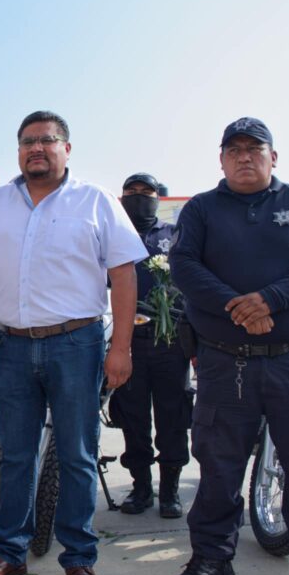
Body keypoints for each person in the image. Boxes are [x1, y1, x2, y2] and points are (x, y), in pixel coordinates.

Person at [0, 111, 146, 575]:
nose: (35, 148)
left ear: (67, 147)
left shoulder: (96, 200)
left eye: (47, 139)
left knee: (78, 455)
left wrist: (121, 347)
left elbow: (124, 274)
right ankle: (9, 552)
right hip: (12, 346)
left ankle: (79, 557)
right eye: (27, 142)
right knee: (15, 455)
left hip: (77, 344)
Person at [168, 118, 289, 575]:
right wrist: (239, 307)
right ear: (221, 159)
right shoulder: (202, 209)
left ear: (273, 157)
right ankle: (212, 562)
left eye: (254, 148)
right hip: (226, 361)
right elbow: (183, 266)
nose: (244, 157)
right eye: (234, 150)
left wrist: (270, 300)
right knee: (219, 469)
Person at [108, 173, 192, 518]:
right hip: (127, 340)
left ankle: (170, 489)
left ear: (159, 198)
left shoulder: (175, 235)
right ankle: (141, 487)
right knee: (133, 416)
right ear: (121, 197)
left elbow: (191, 281)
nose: (139, 196)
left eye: (147, 191)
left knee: (173, 416)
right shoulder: (112, 234)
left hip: (169, 340)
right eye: (132, 191)